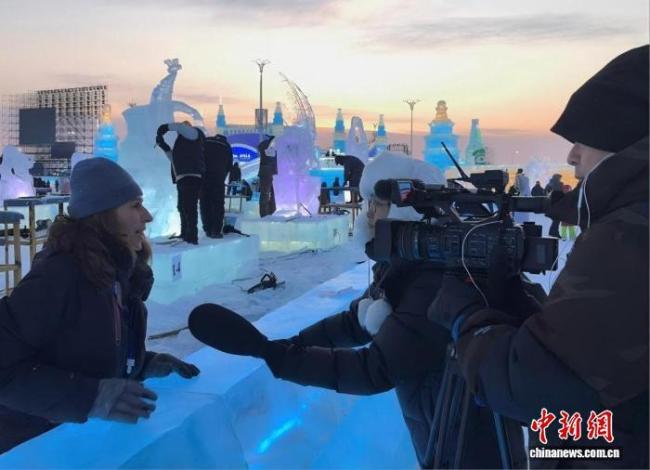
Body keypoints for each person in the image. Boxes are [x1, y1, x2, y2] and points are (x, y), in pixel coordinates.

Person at [191, 152, 509, 468]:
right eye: (368, 204)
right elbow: (357, 321)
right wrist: (296, 343)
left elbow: (373, 370)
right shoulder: (407, 266)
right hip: (439, 432)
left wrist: (284, 359)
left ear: (405, 210)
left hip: (465, 446)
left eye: (377, 204)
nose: (368, 214)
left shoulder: (433, 279)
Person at [427, 45, 649, 468]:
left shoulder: (630, 234)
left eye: (584, 139)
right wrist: (525, 314)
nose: (571, 156)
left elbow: (540, 388)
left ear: (623, 137)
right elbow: (607, 360)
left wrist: (466, 317)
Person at [0, 158, 200, 454]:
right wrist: (90, 397)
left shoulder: (117, 275)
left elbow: (78, 352)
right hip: (31, 449)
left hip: (74, 443)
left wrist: (141, 364)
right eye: (135, 206)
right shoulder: (58, 276)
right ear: (104, 216)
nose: (147, 216)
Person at [156, 121, 206, 244]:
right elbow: (174, 159)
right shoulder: (183, 142)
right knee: (182, 206)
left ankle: (191, 236)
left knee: (189, 206)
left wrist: (166, 127)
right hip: (182, 178)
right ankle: (185, 233)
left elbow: (181, 128)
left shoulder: (194, 134)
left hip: (191, 176)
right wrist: (164, 146)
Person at [201, 134, 233, 238]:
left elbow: (199, 156)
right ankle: (216, 231)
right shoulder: (226, 145)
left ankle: (207, 229)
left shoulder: (205, 141)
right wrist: (222, 175)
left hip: (204, 176)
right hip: (218, 177)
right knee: (218, 204)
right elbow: (229, 165)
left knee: (205, 203)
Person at [257, 135, 277, 217]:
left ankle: (266, 213)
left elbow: (259, 148)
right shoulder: (272, 145)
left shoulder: (264, 144)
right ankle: (266, 214)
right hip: (269, 171)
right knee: (268, 194)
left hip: (266, 171)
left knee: (266, 193)